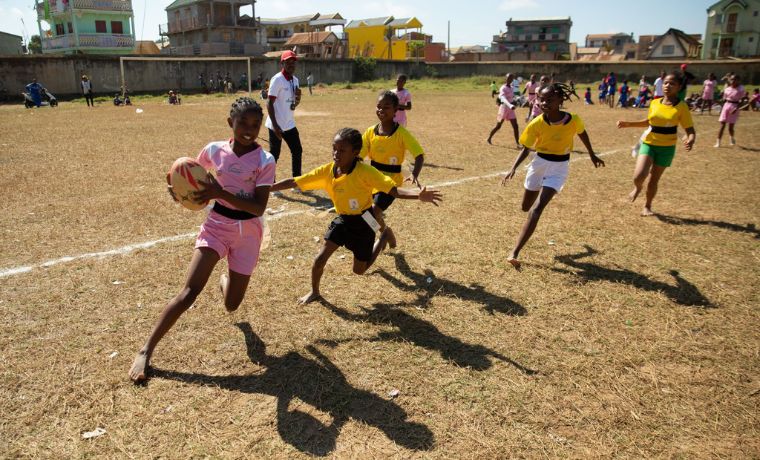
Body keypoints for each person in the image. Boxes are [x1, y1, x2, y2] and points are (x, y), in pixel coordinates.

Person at [128, 97, 276, 383]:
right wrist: (176, 187)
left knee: (232, 305)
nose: (248, 129)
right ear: (229, 122)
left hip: (249, 233)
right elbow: (189, 175)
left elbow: (258, 207)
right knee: (189, 291)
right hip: (217, 226)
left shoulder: (264, 160)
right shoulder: (214, 150)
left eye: (255, 124)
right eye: (242, 122)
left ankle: (226, 282)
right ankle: (146, 350)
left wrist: (219, 192)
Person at [269, 127, 442, 305]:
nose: (336, 153)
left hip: (364, 222)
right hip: (343, 220)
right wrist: (267, 187)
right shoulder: (327, 171)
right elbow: (296, 181)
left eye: (342, 150)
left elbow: (394, 190)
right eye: (334, 148)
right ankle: (314, 291)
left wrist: (417, 195)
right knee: (320, 259)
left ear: (355, 152)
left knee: (359, 271)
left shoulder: (365, 172)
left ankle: (383, 237)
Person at [501, 83, 605, 270]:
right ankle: (537, 194)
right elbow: (527, 148)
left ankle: (514, 252)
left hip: (559, 167)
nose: (543, 102)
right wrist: (513, 168)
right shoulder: (536, 123)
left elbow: (582, 133)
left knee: (537, 209)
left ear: (560, 100)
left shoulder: (573, 120)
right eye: (540, 99)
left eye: (549, 99)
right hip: (539, 164)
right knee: (526, 207)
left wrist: (591, 154)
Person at [617, 72, 696, 216]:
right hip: (649, 143)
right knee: (638, 176)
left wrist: (690, 139)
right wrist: (628, 124)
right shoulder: (655, 102)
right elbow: (649, 122)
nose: (667, 86)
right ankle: (638, 188)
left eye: (672, 83)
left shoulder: (682, 107)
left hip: (667, 148)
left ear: (679, 87)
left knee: (654, 179)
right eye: (666, 83)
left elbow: (690, 130)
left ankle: (647, 206)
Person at [360, 90, 427, 247]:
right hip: (373, 179)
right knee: (366, 214)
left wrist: (415, 174)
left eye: (386, 107)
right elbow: (360, 155)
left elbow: (419, 155)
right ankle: (385, 232)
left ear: (396, 109)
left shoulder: (401, 133)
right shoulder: (370, 132)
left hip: (391, 182)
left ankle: (369, 245)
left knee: (374, 212)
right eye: (379, 106)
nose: (381, 110)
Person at [266, 50, 304, 178]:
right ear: (282, 63)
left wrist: (298, 99)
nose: (291, 64)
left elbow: (293, 105)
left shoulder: (295, 80)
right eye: (288, 62)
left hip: (289, 124)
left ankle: (296, 180)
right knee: (274, 155)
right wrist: (275, 127)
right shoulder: (277, 79)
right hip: (276, 124)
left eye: (293, 62)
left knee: (297, 150)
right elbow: (269, 103)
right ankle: (271, 184)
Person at [487, 73, 521, 148]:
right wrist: (510, 105)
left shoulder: (512, 88)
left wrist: (517, 100)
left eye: (511, 78)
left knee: (516, 126)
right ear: (506, 79)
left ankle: (518, 143)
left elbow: (513, 97)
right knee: (498, 126)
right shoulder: (503, 88)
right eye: (508, 78)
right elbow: (503, 98)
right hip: (504, 108)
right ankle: (489, 138)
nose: (510, 80)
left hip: (511, 109)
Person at [715, 74, 746, 148]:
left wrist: (736, 108)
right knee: (722, 124)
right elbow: (724, 99)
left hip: (734, 106)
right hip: (726, 106)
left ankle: (731, 137)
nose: (733, 81)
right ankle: (718, 142)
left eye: (735, 79)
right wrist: (718, 101)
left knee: (730, 127)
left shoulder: (741, 88)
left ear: (739, 80)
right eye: (731, 79)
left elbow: (742, 100)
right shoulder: (727, 89)